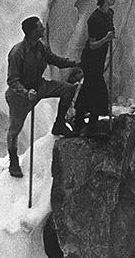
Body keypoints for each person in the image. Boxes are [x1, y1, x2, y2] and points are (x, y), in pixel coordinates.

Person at [5, 15, 82, 178]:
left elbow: (54, 60)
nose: (43, 28)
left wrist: (73, 63)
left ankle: (59, 124)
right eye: (40, 27)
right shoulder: (17, 53)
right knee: (15, 129)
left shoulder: (40, 47)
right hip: (20, 96)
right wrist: (26, 92)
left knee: (68, 90)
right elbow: (12, 80)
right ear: (32, 32)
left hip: (39, 86)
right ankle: (13, 159)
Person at [74, 0, 116, 134]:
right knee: (96, 90)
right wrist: (106, 39)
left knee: (89, 89)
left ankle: (83, 123)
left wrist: (111, 35)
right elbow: (92, 45)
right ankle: (90, 123)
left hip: (99, 59)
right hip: (91, 59)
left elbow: (110, 29)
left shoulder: (109, 14)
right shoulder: (94, 18)